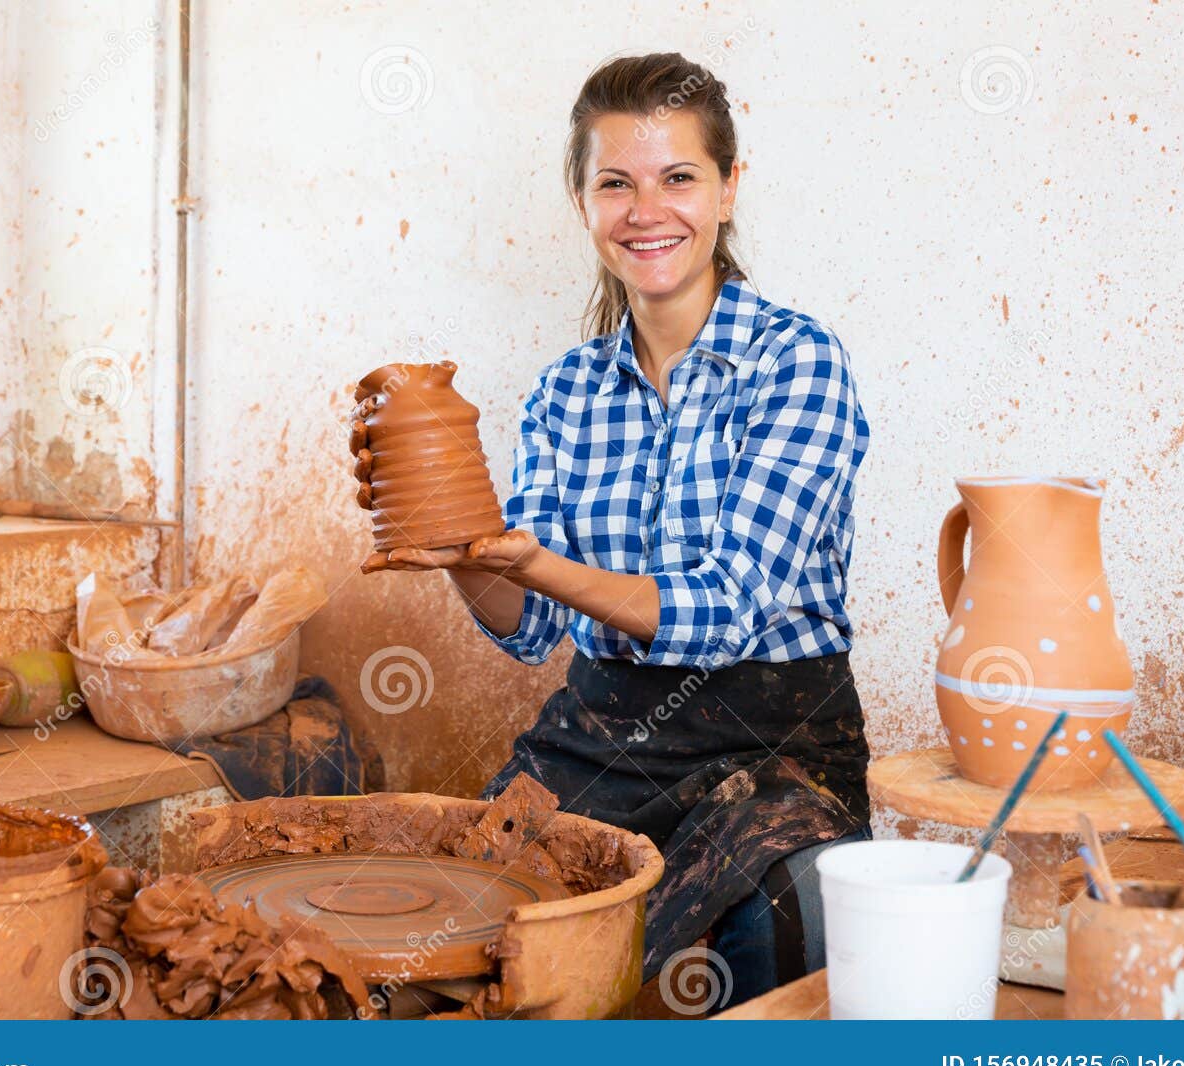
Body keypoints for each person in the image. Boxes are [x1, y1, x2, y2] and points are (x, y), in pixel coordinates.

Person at [351, 52, 870, 1009]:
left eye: (679, 178)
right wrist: (457, 551)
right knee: (467, 916)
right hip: (600, 734)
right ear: (583, 203)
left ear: (727, 192)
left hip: (775, 745)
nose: (647, 210)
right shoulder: (565, 392)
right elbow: (531, 628)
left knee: (799, 917)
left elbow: (721, 614)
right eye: (615, 183)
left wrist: (537, 560)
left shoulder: (797, 363)